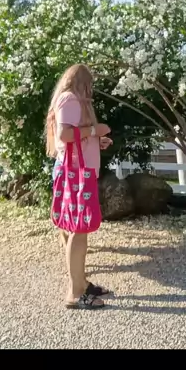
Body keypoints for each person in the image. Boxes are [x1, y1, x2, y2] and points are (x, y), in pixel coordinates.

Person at [46, 64, 113, 310]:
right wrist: (95, 129)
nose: (90, 91)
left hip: (76, 173)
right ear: (82, 82)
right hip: (77, 175)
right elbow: (65, 135)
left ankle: (81, 283)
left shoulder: (67, 99)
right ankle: (75, 293)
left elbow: (73, 136)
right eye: (89, 85)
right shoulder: (70, 99)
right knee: (79, 229)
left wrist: (95, 139)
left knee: (75, 228)